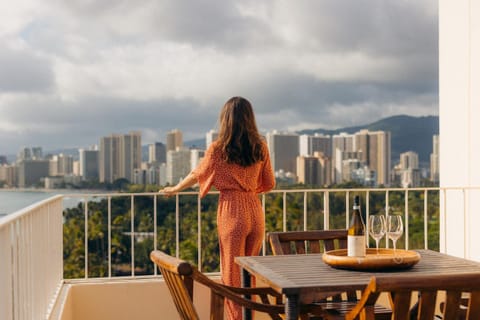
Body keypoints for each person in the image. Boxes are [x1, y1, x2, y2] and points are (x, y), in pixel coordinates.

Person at [159, 96, 275, 320]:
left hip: (232, 211)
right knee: (249, 273)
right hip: (255, 210)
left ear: (225, 120)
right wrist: (249, 189)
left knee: (231, 275)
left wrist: (175, 189)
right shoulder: (260, 147)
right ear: (250, 118)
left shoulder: (218, 149)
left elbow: (198, 174)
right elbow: (269, 183)